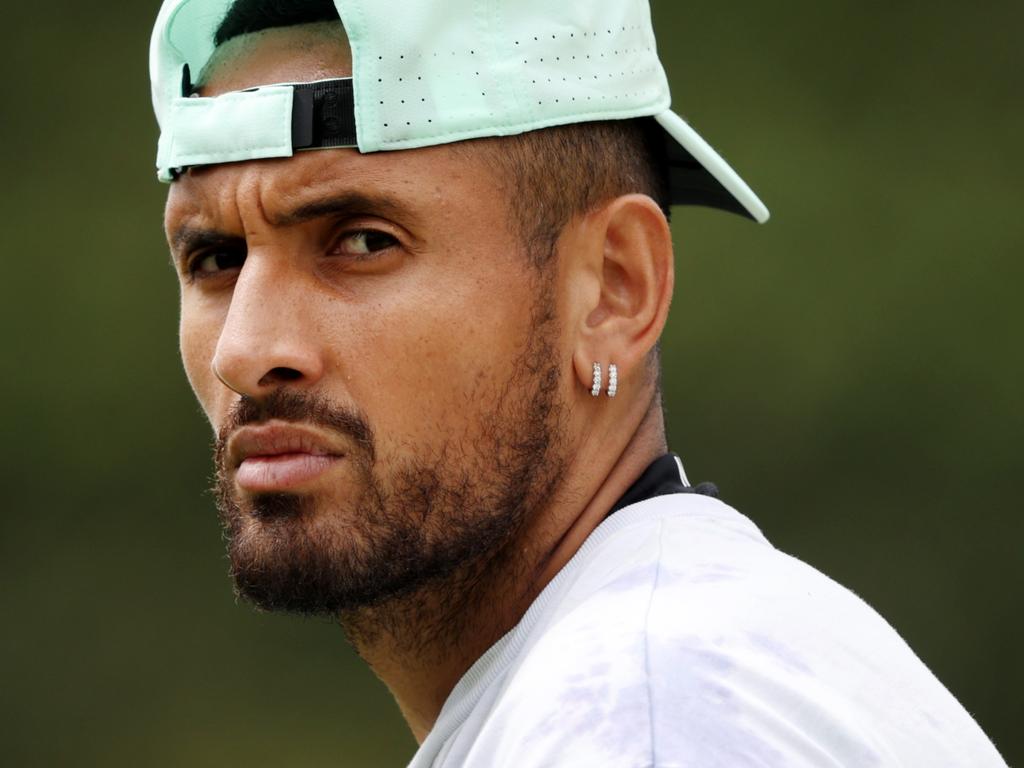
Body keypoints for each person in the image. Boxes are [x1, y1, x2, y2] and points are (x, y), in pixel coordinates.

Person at [150, 0, 1008, 765]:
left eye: (364, 241)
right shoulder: (657, 673)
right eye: (216, 258)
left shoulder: (641, 711)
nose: (244, 351)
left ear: (613, 292)